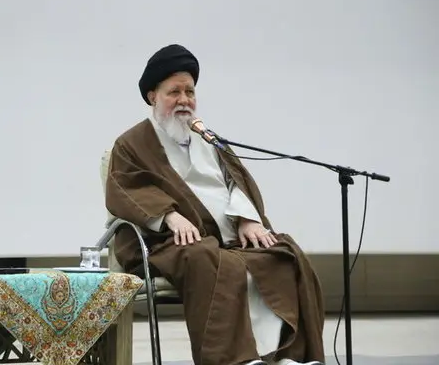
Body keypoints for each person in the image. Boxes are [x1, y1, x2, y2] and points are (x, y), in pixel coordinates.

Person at [104, 44, 326, 365]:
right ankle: (236, 361)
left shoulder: (208, 138)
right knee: (206, 258)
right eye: (174, 92)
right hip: (168, 243)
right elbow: (126, 187)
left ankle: (288, 358)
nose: (184, 100)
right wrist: (168, 216)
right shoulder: (132, 143)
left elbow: (238, 180)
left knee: (283, 254)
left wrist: (247, 218)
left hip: (227, 239)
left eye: (190, 92)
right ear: (153, 96)